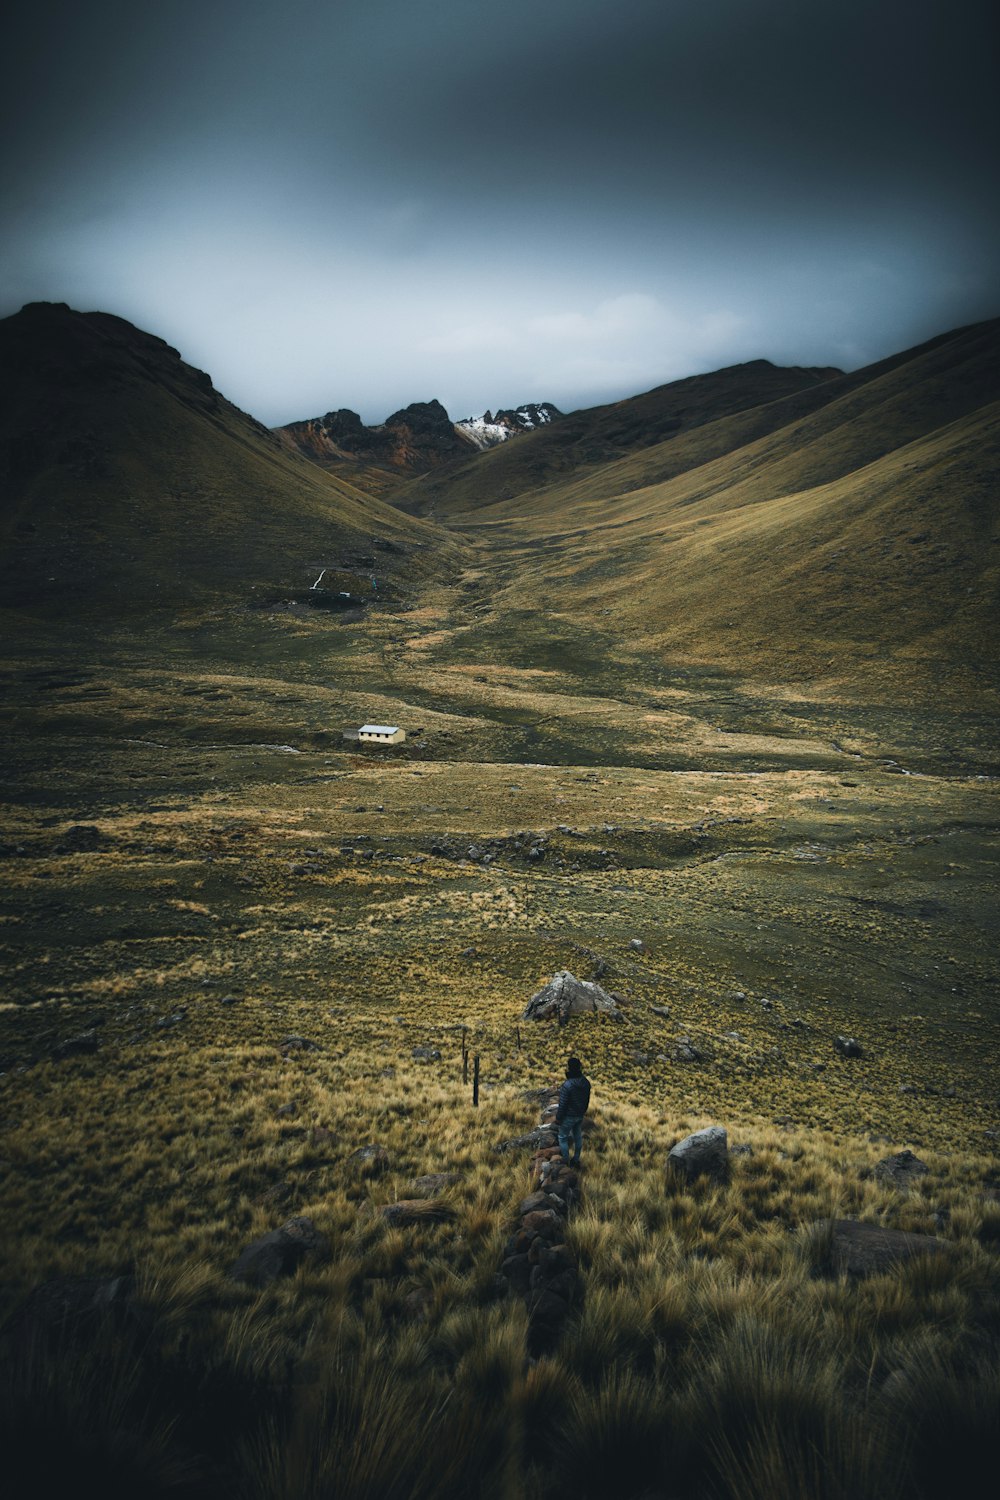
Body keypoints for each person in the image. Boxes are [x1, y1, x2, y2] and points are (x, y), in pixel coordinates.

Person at [556, 1055, 591, 1168]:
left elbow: (563, 1104)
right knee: (577, 1136)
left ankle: (566, 1161)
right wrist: (582, 1111)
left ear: (570, 1068)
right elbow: (586, 1100)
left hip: (568, 1116)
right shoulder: (586, 1082)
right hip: (579, 1115)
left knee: (562, 1137)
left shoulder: (567, 1085)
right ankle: (576, 1159)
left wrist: (558, 1118)